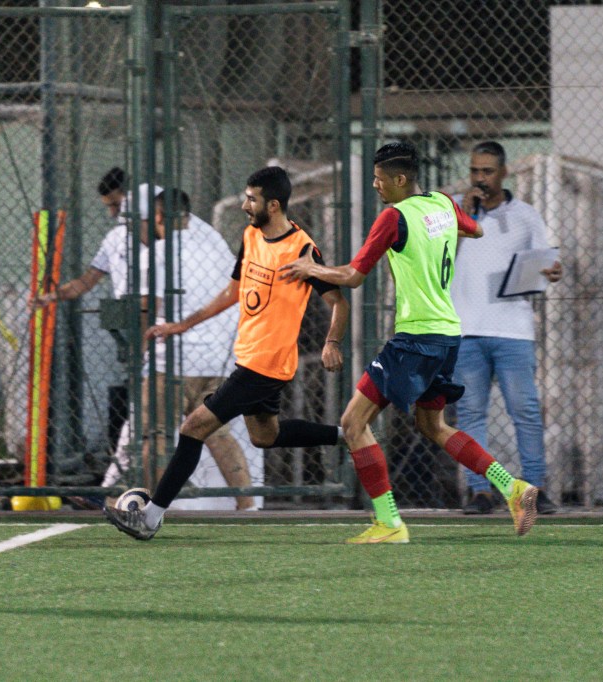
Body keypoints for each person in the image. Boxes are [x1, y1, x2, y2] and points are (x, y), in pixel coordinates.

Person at [280, 141, 539, 544]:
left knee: (353, 423)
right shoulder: (444, 203)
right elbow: (477, 228)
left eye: (379, 179)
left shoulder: (394, 217)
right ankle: (513, 488)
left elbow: (353, 276)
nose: (375, 185)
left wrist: (311, 268)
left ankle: (389, 522)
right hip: (448, 334)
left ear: (400, 179)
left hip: (416, 337)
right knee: (432, 424)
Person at [103, 165, 349, 540]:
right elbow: (233, 292)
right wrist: (182, 325)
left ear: (274, 205)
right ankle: (345, 433)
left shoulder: (301, 249)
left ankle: (150, 518)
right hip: (248, 357)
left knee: (193, 428)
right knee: (265, 435)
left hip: (266, 363)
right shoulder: (251, 237)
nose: (245, 206)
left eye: (252, 199)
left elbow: (339, 303)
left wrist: (332, 342)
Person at [451, 141, 562, 515]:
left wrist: (552, 271)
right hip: (466, 329)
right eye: (474, 171)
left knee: (525, 411)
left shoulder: (526, 215)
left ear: (503, 173)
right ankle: (480, 492)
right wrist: (463, 218)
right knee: (471, 414)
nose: (480, 178)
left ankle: (535, 489)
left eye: (487, 171)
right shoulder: (455, 211)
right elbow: (439, 258)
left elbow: (544, 261)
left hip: (513, 329)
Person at [31, 169, 152, 476]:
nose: (113, 213)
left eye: (117, 205)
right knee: (135, 384)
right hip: (130, 316)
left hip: (154, 314)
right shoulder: (114, 240)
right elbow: (87, 281)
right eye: (109, 207)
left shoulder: (157, 236)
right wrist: (52, 296)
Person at [144, 188, 254, 510]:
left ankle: (156, 508)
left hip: (171, 359)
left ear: (159, 217)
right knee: (217, 433)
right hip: (217, 357)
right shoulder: (215, 245)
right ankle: (248, 505)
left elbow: (148, 306)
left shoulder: (159, 253)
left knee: (155, 434)